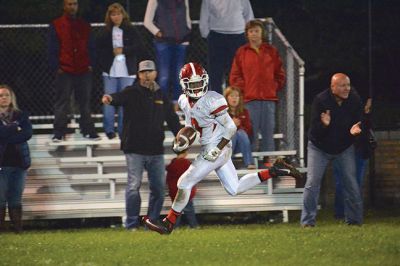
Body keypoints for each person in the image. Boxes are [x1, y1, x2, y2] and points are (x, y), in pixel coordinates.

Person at [144, 62, 302, 235]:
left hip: (218, 146)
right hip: (212, 145)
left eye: (199, 83)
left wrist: (217, 148)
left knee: (184, 182)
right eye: (193, 84)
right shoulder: (183, 100)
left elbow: (231, 128)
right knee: (234, 189)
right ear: (184, 85)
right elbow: (192, 125)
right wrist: (183, 140)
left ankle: (169, 223)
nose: (197, 88)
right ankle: (274, 170)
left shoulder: (212, 99)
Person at [102, 60, 181, 230]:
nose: (146, 75)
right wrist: (110, 98)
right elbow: (119, 97)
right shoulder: (132, 91)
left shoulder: (161, 95)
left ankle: (150, 223)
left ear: (155, 73)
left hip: (156, 150)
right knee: (133, 186)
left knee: (159, 189)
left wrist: (181, 138)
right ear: (138, 75)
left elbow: (172, 119)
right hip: (134, 148)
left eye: (149, 71)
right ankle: (131, 224)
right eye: (143, 72)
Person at [301, 73, 363, 227]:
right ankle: (308, 222)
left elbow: (361, 121)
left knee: (351, 183)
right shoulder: (321, 100)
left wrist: (357, 129)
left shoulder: (354, 99)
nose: (347, 88)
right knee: (312, 183)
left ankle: (354, 221)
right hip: (319, 147)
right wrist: (325, 125)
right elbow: (314, 132)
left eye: (348, 85)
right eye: (342, 85)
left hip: (343, 147)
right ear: (333, 87)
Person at [230, 19, 285, 165]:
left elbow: (280, 74)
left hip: (268, 99)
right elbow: (234, 76)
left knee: (268, 131)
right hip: (249, 99)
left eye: (256, 31)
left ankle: (268, 162)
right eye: (251, 31)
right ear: (247, 34)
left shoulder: (271, 51)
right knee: (251, 131)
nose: (254, 34)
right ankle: (252, 161)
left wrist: (273, 86)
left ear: (262, 33)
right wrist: (245, 88)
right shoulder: (242, 52)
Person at [48, 0, 100, 142]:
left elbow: (91, 46)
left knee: (84, 102)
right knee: (62, 102)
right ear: (64, 6)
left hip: (83, 69)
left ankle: (88, 130)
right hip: (65, 69)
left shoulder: (84, 25)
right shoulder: (56, 25)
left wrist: (91, 64)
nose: (72, 7)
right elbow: (52, 48)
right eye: (69, 4)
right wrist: (56, 67)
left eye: (75, 4)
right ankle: (59, 132)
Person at [97, 3, 147, 139]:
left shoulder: (131, 29)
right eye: (113, 14)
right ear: (110, 16)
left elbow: (139, 46)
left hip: (127, 72)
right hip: (110, 72)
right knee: (109, 100)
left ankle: (123, 129)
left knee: (126, 101)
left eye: (118, 14)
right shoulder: (105, 31)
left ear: (123, 14)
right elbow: (98, 49)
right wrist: (109, 55)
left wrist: (123, 50)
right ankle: (109, 130)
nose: (116, 17)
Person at [199, 0, 254, 94]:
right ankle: (217, 104)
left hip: (238, 36)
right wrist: (207, 36)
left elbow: (249, 16)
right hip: (217, 36)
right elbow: (204, 18)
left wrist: (249, 35)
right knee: (215, 73)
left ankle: (236, 103)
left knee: (238, 72)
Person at [144, 0, 191, 108]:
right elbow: (147, 21)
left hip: (181, 41)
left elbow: (187, 17)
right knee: (164, 77)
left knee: (179, 76)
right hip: (163, 43)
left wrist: (187, 31)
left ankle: (176, 106)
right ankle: (162, 107)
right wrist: (158, 33)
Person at [332, 98, 373, 219]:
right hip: (345, 149)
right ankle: (341, 213)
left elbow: (365, 129)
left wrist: (366, 114)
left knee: (354, 183)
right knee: (343, 182)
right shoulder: (341, 112)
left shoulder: (362, 116)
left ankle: (351, 212)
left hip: (357, 149)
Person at [0, 85, 32, 233]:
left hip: (20, 163)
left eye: (6, 95)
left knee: (16, 198)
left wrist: (7, 136)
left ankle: (18, 230)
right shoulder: (17, 121)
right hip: (2, 164)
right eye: (1, 96)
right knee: (0, 198)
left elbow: (27, 134)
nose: (4, 98)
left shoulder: (21, 115)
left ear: (11, 97)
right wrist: (14, 128)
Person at [224, 86, 255, 169]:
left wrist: (238, 126)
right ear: (226, 98)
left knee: (240, 132)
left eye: (236, 96)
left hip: (242, 145)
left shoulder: (244, 112)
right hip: (226, 145)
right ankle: (228, 163)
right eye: (231, 96)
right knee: (234, 134)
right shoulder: (222, 113)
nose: (234, 99)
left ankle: (249, 163)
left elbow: (249, 130)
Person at [166, 150, 199, 228]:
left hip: (174, 192)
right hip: (185, 192)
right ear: (185, 152)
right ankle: (194, 225)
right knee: (189, 210)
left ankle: (174, 226)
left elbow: (168, 179)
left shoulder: (172, 164)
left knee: (177, 210)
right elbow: (191, 177)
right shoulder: (186, 164)